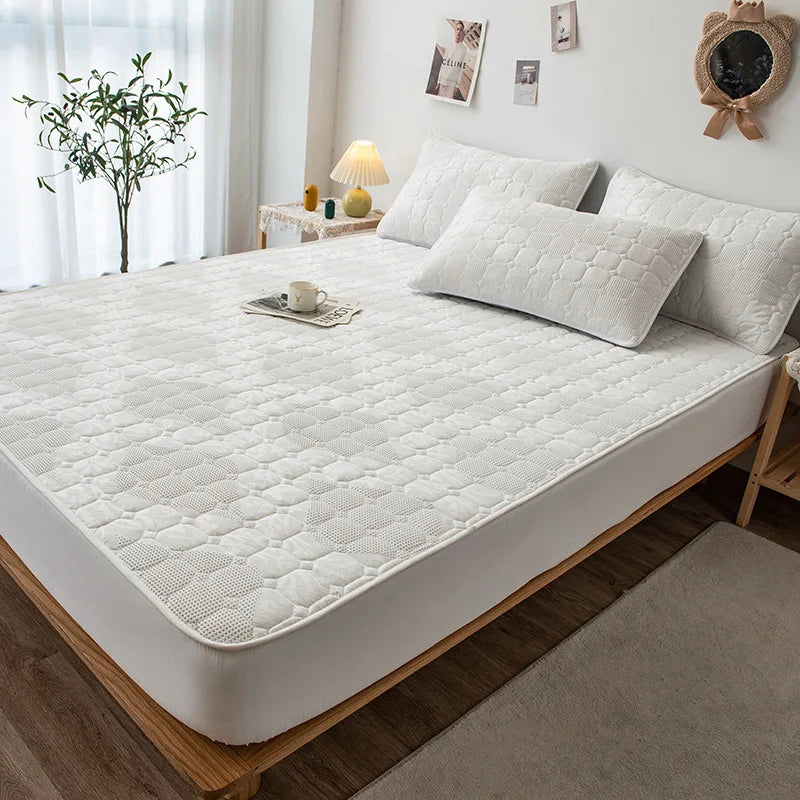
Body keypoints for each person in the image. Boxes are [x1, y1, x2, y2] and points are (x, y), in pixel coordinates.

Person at [435, 20, 469, 100]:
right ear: (455, 31)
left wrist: (457, 86)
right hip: (443, 81)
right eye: (457, 29)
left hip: (452, 85)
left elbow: (461, 69)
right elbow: (443, 64)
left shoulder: (464, 49)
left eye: (461, 30)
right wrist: (439, 81)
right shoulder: (449, 45)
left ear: (462, 32)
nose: (459, 31)